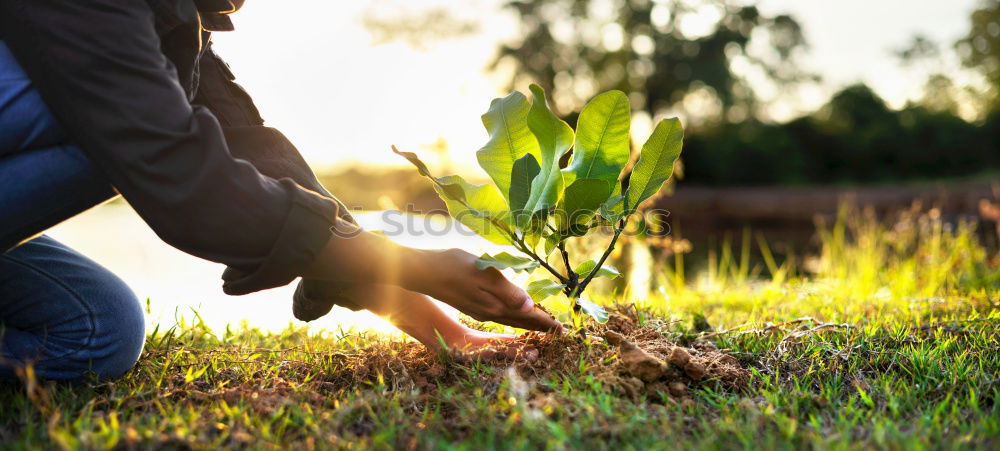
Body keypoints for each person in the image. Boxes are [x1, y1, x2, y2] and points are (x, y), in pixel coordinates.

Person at [0, 0, 561, 382]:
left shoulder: (172, 22)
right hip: (83, 101)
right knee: (87, 114)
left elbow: (248, 148)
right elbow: (176, 167)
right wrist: (419, 265)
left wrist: (441, 327)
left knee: (99, 329)